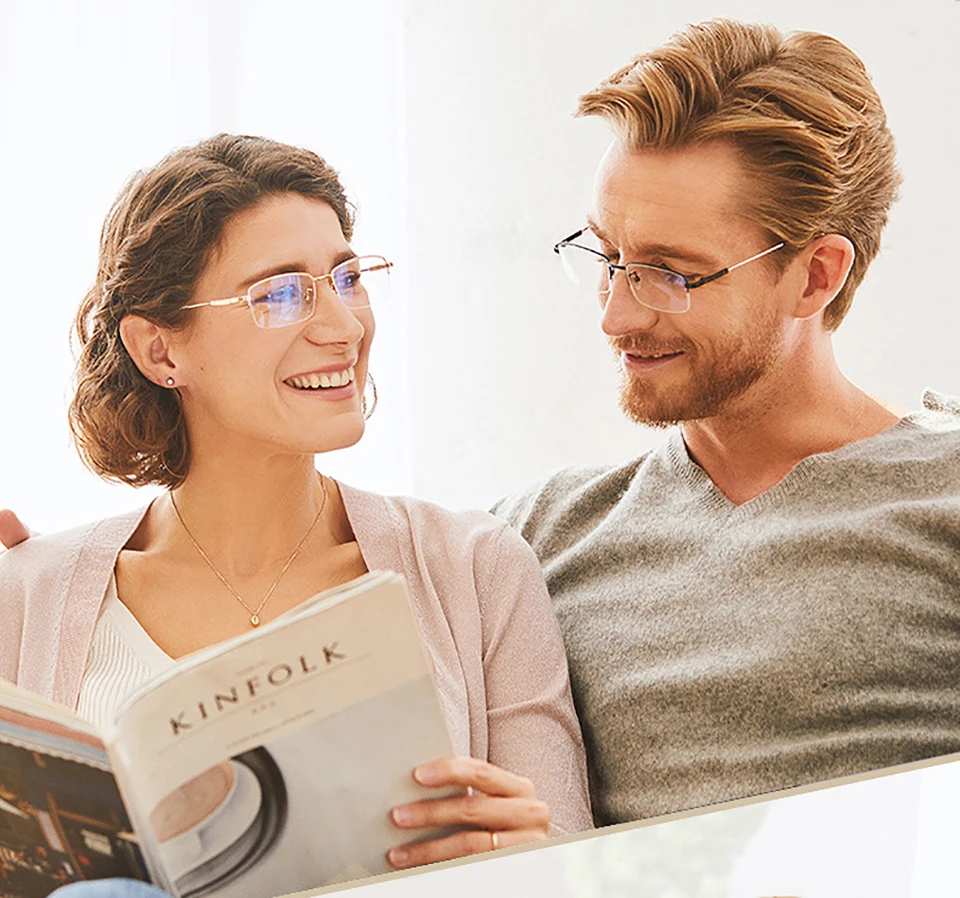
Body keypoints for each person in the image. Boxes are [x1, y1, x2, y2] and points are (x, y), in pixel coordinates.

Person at [0, 134, 591, 896]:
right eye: (279, 294)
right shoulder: (28, 595)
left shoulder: (476, 568)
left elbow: (574, 865)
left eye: (348, 278)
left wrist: (531, 857)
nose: (344, 326)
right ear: (159, 351)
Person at [492, 18, 960, 826]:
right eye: (608, 258)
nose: (615, 316)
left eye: (670, 273)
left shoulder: (943, 495)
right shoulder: (531, 537)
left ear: (815, 276)